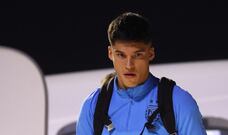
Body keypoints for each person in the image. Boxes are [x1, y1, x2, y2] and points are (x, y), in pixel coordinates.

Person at [76, 12, 207, 135]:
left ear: (151, 53)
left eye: (137, 55)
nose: (129, 65)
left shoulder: (179, 102)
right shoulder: (92, 106)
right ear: (110, 53)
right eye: (121, 55)